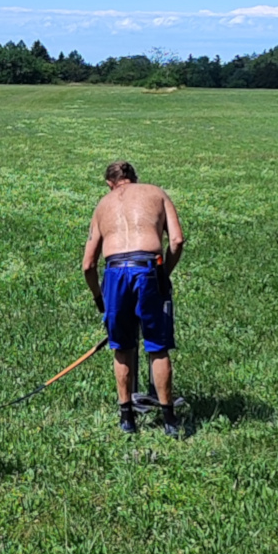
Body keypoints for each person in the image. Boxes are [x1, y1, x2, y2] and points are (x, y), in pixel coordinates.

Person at [82, 159, 185, 436]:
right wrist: (163, 275)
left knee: (122, 347)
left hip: (115, 272)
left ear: (110, 183)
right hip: (148, 267)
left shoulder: (102, 205)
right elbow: (177, 241)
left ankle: (127, 418)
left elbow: (88, 265)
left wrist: (99, 298)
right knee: (157, 346)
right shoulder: (157, 193)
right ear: (135, 178)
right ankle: (169, 420)